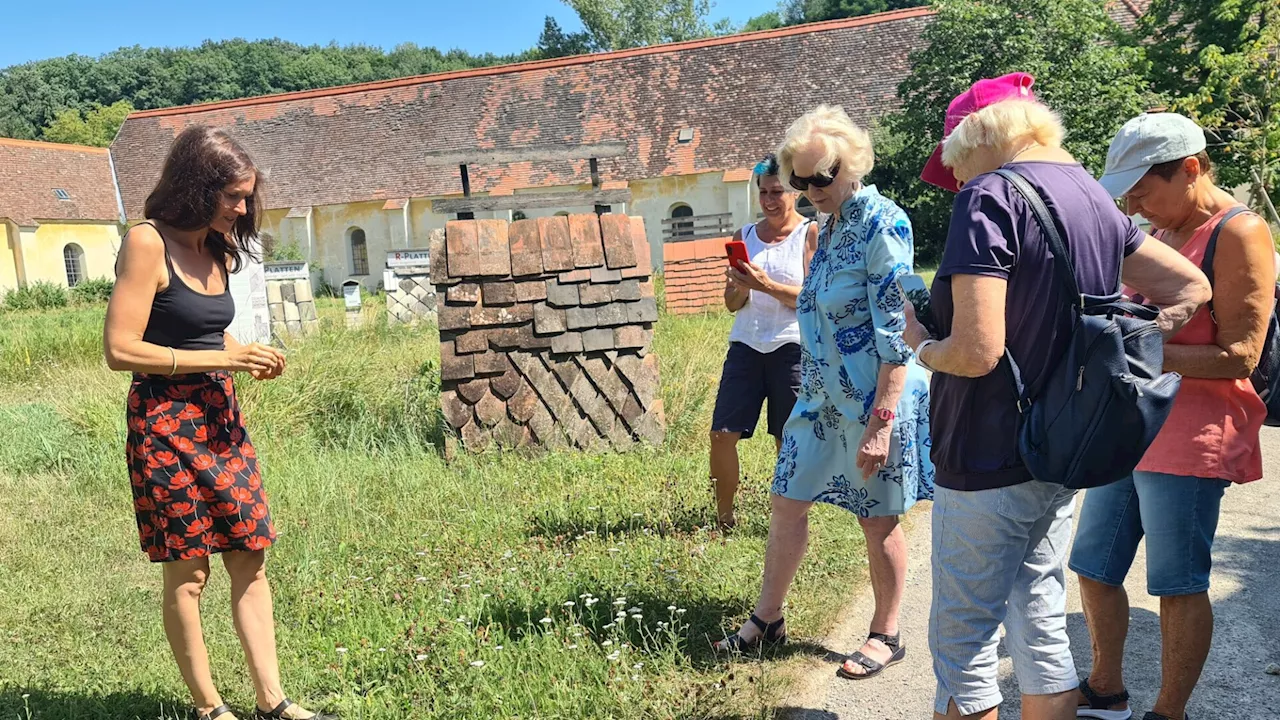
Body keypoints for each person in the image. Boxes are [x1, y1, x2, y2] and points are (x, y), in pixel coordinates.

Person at [905, 74, 1211, 720]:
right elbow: (1192, 287)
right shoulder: (1094, 200)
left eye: (953, 162)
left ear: (980, 137)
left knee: (964, 649)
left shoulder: (989, 198)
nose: (955, 180)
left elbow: (977, 351)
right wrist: (1136, 338)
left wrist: (921, 347)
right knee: (1041, 625)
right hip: (1059, 450)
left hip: (984, 456)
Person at [104, 126, 335, 720]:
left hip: (220, 420)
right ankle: (210, 709)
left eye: (245, 197)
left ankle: (273, 703)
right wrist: (223, 358)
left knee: (250, 556)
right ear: (195, 186)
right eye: (232, 196)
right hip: (163, 422)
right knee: (189, 572)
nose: (241, 208)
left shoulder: (216, 246)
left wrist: (246, 351)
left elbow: (203, 328)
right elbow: (121, 348)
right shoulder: (147, 243)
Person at [715, 105, 935, 686]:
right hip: (819, 396)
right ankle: (768, 620)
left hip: (873, 397)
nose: (811, 190)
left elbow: (897, 327)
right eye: (801, 180)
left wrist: (883, 421)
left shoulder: (883, 222)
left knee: (878, 518)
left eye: (822, 178)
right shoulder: (828, 227)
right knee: (787, 498)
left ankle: (887, 632)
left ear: (853, 165)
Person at [1067, 113, 1275, 720]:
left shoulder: (1238, 232)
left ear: (1190, 168)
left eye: (1142, 189)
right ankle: (1106, 688)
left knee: (1177, 581)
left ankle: (1170, 711)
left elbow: (1241, 353)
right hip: (1131, 429)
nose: (1134, 203)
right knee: (1093, 566)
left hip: (1191, 433)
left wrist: (1126, 346)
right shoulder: (1149, 228)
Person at [710, 153, 819, 529]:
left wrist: (765, 285)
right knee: (722, 435)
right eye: (763, 193)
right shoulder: (745, 236)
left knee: (787, 439)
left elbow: (811, 300)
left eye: (777, 192)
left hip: (791, 347)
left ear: (795, 193)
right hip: (745, 345)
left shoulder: (811, 234)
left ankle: (788, 522)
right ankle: (724, 521)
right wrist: (740, 286)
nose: (770, 200)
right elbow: (730, 305)